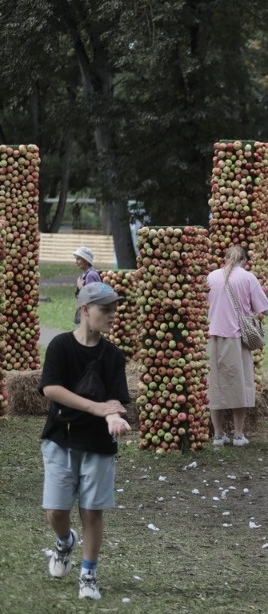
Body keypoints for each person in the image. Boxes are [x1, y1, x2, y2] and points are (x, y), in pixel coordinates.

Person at [40, 282, 132, 600]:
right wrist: (97, 408)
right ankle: (65, 541)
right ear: (85, 310)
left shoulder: (113, 356)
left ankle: (88, 573)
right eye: (105, 310)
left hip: (98, 445)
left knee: (92, 511)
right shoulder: (61, 347)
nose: (112, 315)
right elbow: (51, 389)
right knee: (55, 510)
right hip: (60, 439)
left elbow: (117, 400)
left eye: (114, 309)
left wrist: (113, 416)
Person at [206, 245, 268, 446]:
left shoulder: (211, 276)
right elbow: (264, 308)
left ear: (225, 259)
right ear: (245, 261)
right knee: (239, 385)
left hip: (211, 336)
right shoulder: (248, 277)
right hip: (236, 337)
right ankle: (239, 434)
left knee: (214, 385)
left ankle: (218, 434)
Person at [72, 246, 102, 325]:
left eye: (78, 259)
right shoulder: (87, 274)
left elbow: (92, 296)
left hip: (89, 316)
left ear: (86, 260)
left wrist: (80, 287)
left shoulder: (90, 275)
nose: (76, 262)